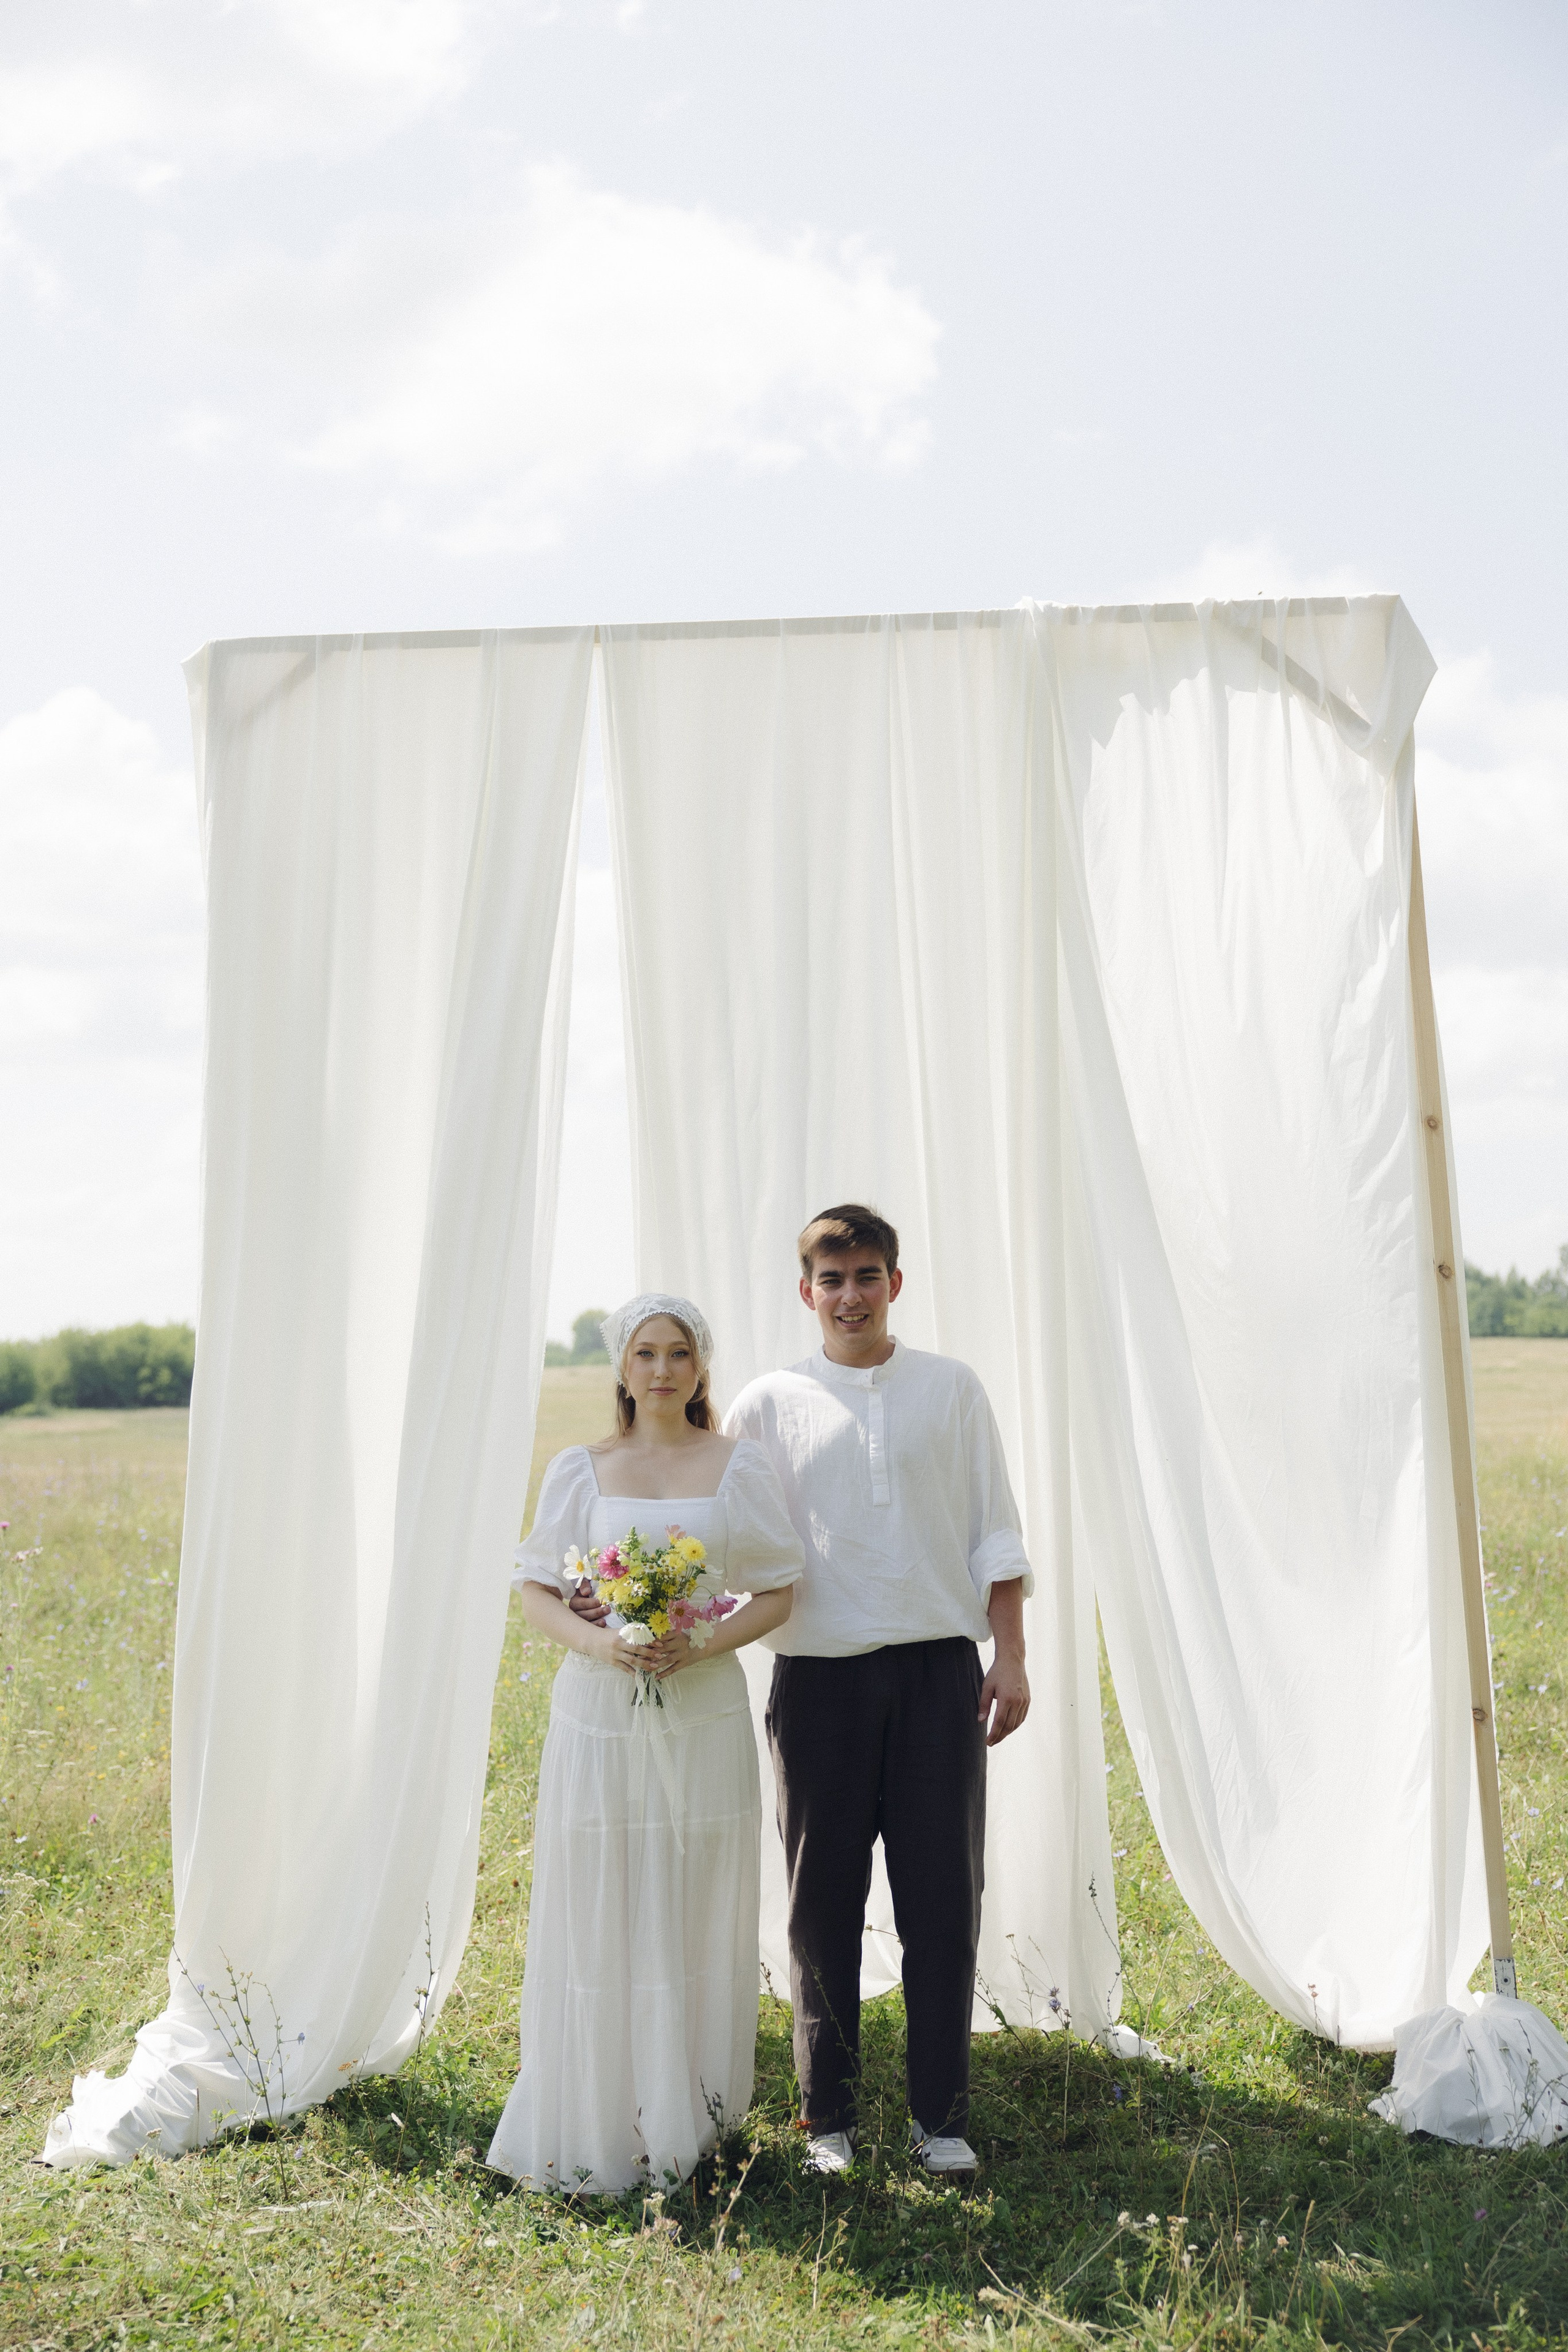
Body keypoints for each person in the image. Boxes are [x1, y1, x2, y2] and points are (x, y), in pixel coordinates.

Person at [724, 1205, 1031, 2179]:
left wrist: (1011, 1656)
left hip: (939, 1674)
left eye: (867, 1276)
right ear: (806, 1291)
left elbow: (995, 1532)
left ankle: (940, 2118)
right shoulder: (767, 1403)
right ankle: (828, 2120)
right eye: (832, 1279)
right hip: (818, 1680)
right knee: (822, 1900)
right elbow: (727, 1534)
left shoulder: (951, 1389)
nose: (850, 1295)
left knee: (943, 1897)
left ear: (895, 1283)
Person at [486, 1294, 804, 2196]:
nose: (662, 1370)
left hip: (701, 1710)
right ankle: (594, 2110)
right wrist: (604, 1645)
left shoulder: (738, 1467)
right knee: (604, 1891)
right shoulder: (580, 1471)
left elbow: (779, 1590)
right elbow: (537, 1589)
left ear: (701, 1368)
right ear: (621, 1368)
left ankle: (687, 2115)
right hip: (599, 1713)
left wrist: (698, 1643)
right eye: (645, 1354)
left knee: (691, 1894)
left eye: (679, 1354)